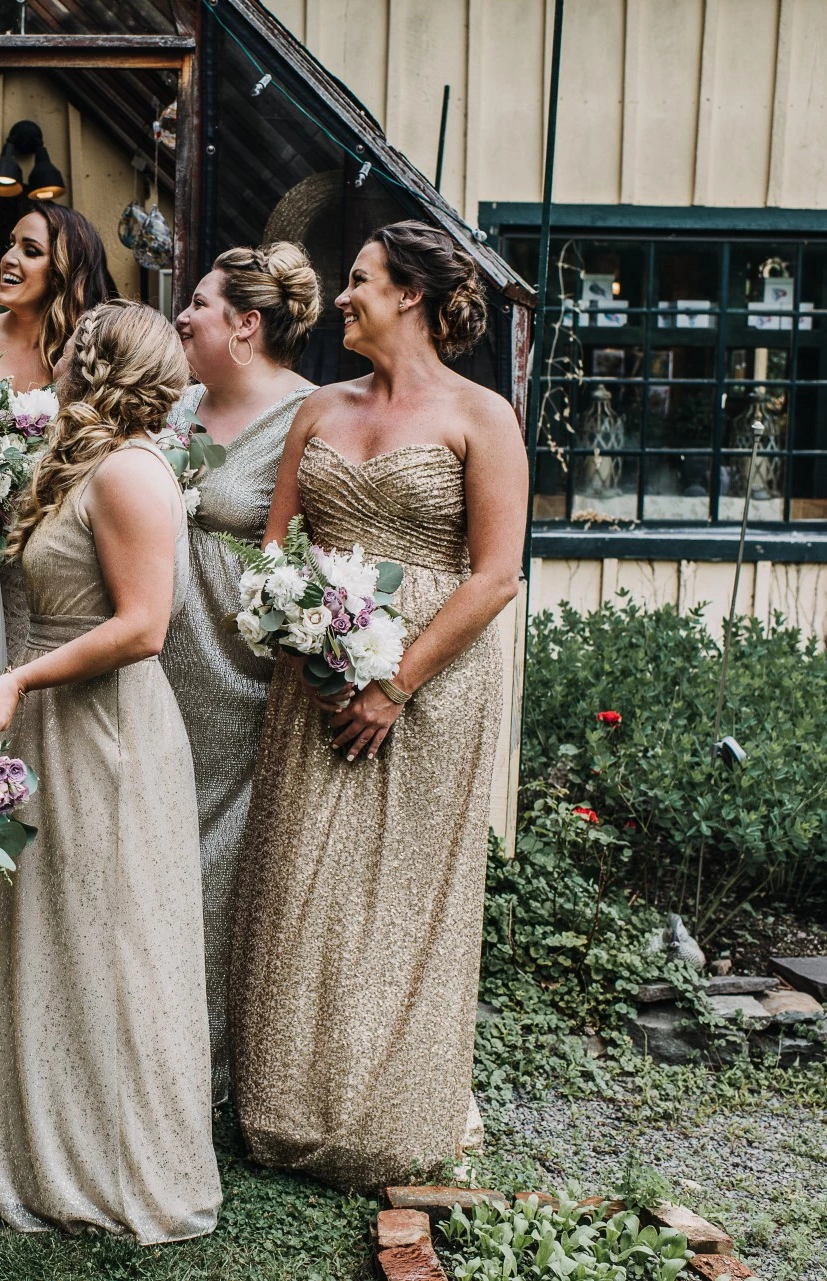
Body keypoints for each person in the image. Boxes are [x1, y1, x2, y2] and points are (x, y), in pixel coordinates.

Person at [230, 221, 525, 1192]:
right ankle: (283, 1105)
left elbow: (493, 577)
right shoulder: (318, 410)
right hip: (311, 672)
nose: (341, 297)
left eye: (358, 282)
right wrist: (301, 639)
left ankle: (392, 1106)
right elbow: (274, 548)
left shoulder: (483, 418)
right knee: (300, 875)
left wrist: (396, 683)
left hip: (429, 681)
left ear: (411, 297)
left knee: (399, 893)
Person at [0, 302, 221, 1244]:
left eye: (74, 347)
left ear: (98, 365)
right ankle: (24, 1122)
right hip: (49, 720)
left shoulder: (134, 472)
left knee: (109, 931)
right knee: (48, 921)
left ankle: (108, 1157)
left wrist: (20, 675)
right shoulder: (77, 462)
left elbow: (143, 628)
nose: (57, 357)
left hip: (107, 733)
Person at [162, 241, 321, 1103]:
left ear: (247, 325)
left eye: (199, 304)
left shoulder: (308, 412)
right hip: (158, 655)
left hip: (243, 668)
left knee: (222, 867)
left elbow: (311, 548)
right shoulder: (178, 402)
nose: (181, 317)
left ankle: (212, 1068)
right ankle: (148, 1047)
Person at [0, 203, 114, 391]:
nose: (7, 258)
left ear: (64, 272)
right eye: (11, 244)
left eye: (30, 251)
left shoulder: (88, 359)